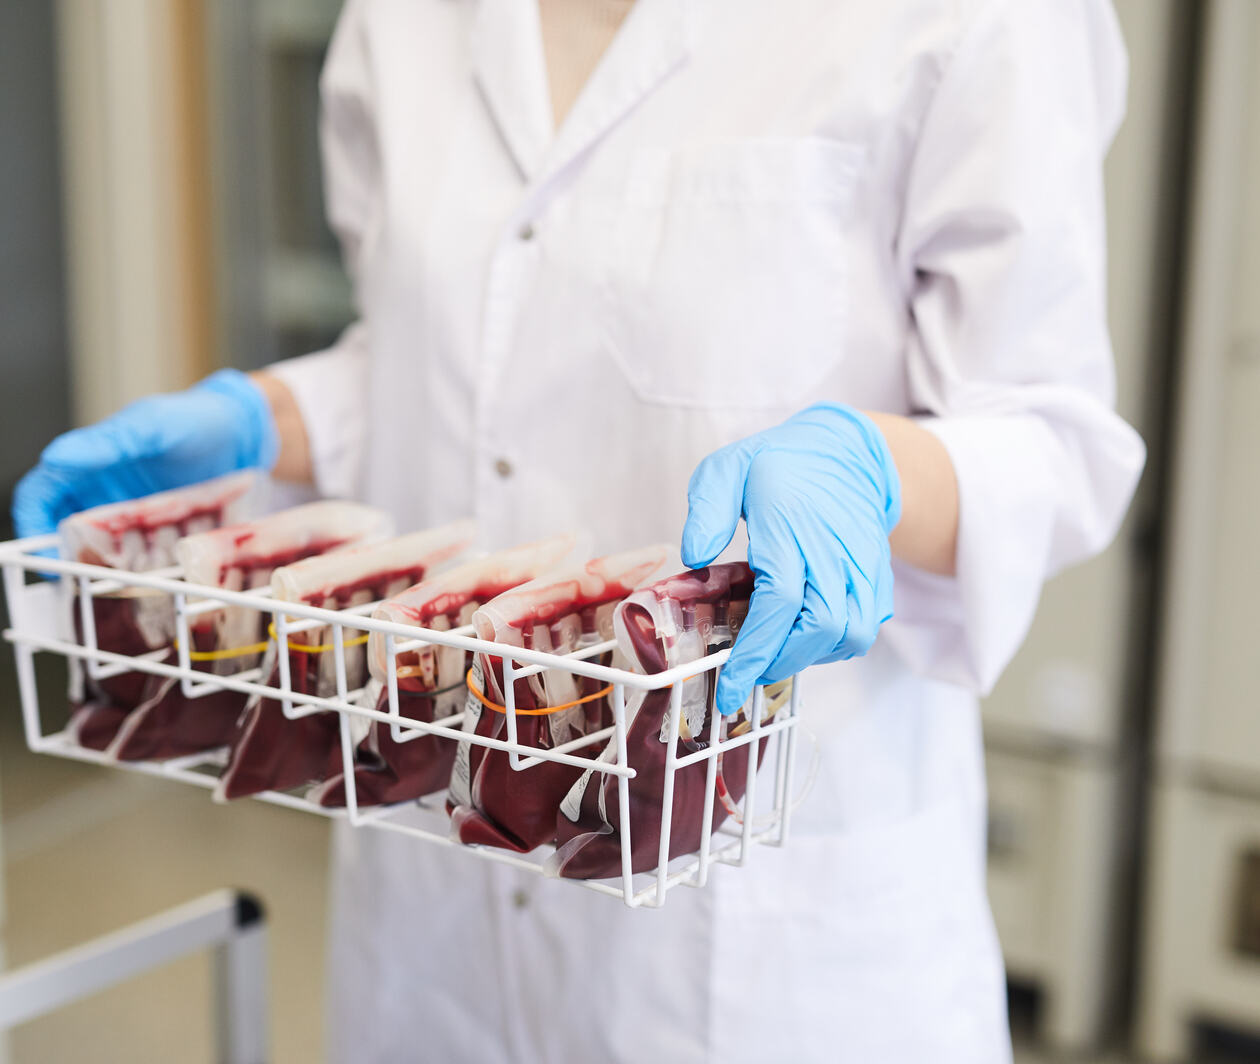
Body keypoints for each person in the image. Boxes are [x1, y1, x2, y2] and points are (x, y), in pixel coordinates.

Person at [13, 0, 1145, 1060]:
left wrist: (875, 465)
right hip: (435, 885)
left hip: (761, 925)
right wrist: (269, 417)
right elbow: (431, 356)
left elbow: (1053, 440)